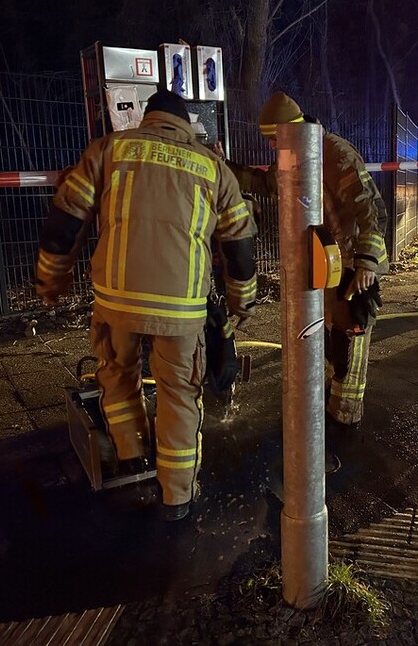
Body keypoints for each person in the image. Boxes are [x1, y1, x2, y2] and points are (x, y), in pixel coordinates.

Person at [34, 90, 257, 521]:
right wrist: (240, 301)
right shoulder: (212, 166)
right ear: (186, 124)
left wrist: (50, 278)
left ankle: (132, 453)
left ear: (147, 118)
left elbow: (66, 218)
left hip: (116, 301)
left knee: (117, 375)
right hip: (182, 309)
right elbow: (240, 244)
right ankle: (177, 497)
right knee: (179, 394)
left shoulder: (110, 149)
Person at [217, 91, 388, 429]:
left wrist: (367, 262)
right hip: (319, 266)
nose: (271, 147)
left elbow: (372, 210)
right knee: (325, 338)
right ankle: (329, 406)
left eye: (273, 138)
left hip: (348, 266)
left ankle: (346, 416)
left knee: (348, 339)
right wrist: (224, 168)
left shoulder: (335, 153)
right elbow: (265, 183)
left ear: (290, 129)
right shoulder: (294, 154)